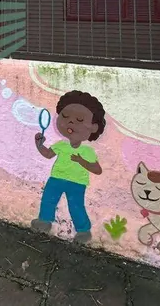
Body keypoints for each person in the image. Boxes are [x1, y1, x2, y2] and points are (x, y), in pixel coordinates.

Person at [32, 90, 106, 243]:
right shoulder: (61, 145)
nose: (71, 122)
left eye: (79, 119)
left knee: (76, 206)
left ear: (93, 127)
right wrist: (39, 145)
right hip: (57, 178)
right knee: (48, 200)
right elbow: (48, 154)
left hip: (77, 182)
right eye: (65, 117)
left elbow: (97, 170)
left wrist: (81, 161)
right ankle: (44, 222)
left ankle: (84, 231)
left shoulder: (87, 151)